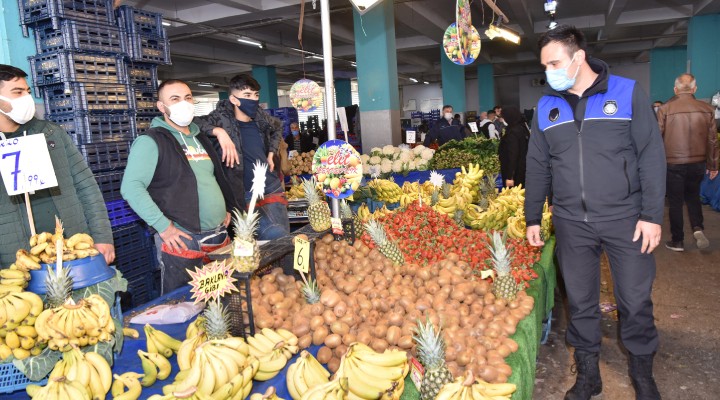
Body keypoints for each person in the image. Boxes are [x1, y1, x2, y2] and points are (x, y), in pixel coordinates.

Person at [524, 25, 666, 400]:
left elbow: (651, 156)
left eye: (554, 62)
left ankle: (642, 374)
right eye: (545, 65)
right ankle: (589, 375)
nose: (549, 71)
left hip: (626, 219)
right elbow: (537, 166)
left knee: (635, 301)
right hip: (572, 222)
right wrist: (533, 217)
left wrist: (652, 214)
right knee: (582, 302)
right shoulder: (546, 107)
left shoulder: (627, 92)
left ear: (578, 57)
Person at [121, 79, 236, 294]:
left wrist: (224, 207)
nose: (184, 103)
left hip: (218, 236)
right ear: (161, 107)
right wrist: (163, 227)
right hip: (184, 239)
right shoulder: (151, 141)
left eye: (188, 97)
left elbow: (211, 177)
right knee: (184, 306)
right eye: (175, 99)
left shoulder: (199, 137)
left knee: (218, 302)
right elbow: (131, 187)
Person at [0, 64, 114, 267]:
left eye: (27, 92)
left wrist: (101, 235)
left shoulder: (51, 133)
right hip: (18, 261)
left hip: (72, 248)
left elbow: (86, 186)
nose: (26, 99)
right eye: (17, 93)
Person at [195, 74, 290, 240]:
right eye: (247, 95)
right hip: (241, 192)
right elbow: (193, 123)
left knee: (280, 238)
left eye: (256, 95)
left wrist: (271, 152)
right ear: (234, 99)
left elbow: (278, 127)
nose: (253, 100)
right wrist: (219, 132)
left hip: (270, 187)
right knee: (250, 246)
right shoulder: (220, 119)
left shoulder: (261, 117)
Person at [657, 73, 718, 251]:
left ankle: (678, 241)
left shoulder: (665, 109)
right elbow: (713, 140)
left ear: (675, 89)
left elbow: (657, 140)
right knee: (693, 197)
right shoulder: (707, 109)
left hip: (672, 163)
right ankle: (698, 228)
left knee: (675, 201)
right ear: (695, 89)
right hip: (698, 163)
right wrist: (713, 165)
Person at [498, 106, 529, 188]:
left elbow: (513, 154)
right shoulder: (522, 128)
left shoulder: (513, 132)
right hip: (523, 168)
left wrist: (509, 176)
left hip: (515, 172)